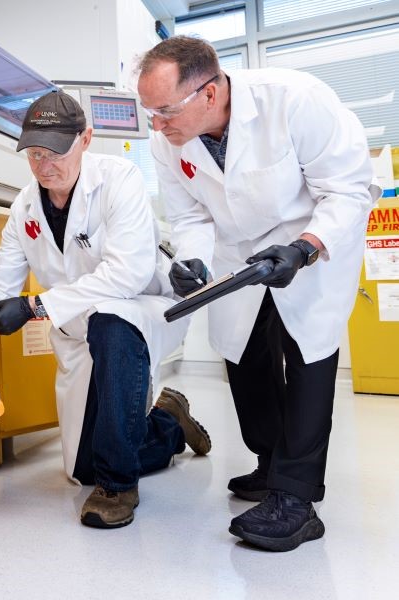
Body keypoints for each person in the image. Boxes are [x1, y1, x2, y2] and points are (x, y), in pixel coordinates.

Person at [137, 36, 380, 551]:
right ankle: (270, 462)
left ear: (209, 92)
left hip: (310, 241)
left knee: (309, 357)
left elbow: (348, 188)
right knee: (243, 356)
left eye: (165, 111)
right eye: (149, 113)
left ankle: (296, 499)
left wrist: (305, 248)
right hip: (236, 253)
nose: (156, 126)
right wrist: (193, 257)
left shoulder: (294, 99)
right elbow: (190, 216)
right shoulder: (169, 142)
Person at [0, 90, 212, 529]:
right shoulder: (24, 206)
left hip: (142, 311)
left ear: (86, 139)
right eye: (35, 153)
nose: (44, 165)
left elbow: (128, 274)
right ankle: (167, 422)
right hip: (78, 330)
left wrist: (33, 306)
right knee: (80, 470)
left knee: (111, 321)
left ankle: (118, 487)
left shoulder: (119, 179)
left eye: (56, 151)